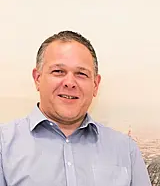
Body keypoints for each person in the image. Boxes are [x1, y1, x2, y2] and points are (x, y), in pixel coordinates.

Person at [0, 31, 151, 186]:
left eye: (81, 74)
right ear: (37, 78)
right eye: (58, 71)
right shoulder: (3, 146)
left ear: (95, 85)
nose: (69, 82)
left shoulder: (126, 150)